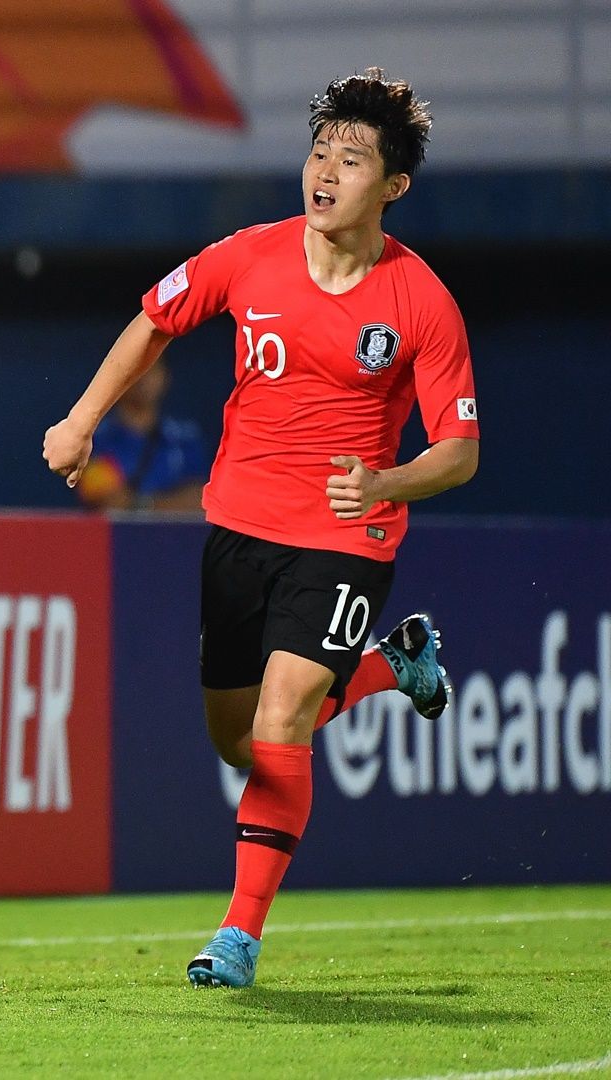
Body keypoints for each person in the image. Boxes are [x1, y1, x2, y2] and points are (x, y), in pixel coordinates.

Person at [42, 69, 477, 988]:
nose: (324, 171)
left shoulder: (421, 303)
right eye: (319, 151)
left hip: (347, 537)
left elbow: (460, 451)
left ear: (392, 186)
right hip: (240, 526)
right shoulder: (250, 255)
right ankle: (393, 666)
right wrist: (82, 419)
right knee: (240, 741)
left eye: (350, 159)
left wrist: (388, 480)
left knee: (283, 722)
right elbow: (154, 321)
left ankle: (237, 937)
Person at [72, 357, 207, 511]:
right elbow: (106, 500)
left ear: (165, 376)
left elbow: (199, 499)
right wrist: (169, 504)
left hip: (175, 535)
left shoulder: (185, 438)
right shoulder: (95, 438)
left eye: (152, 369)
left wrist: (141, 505)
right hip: (116, 535)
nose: (144, 377)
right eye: (137, 368)